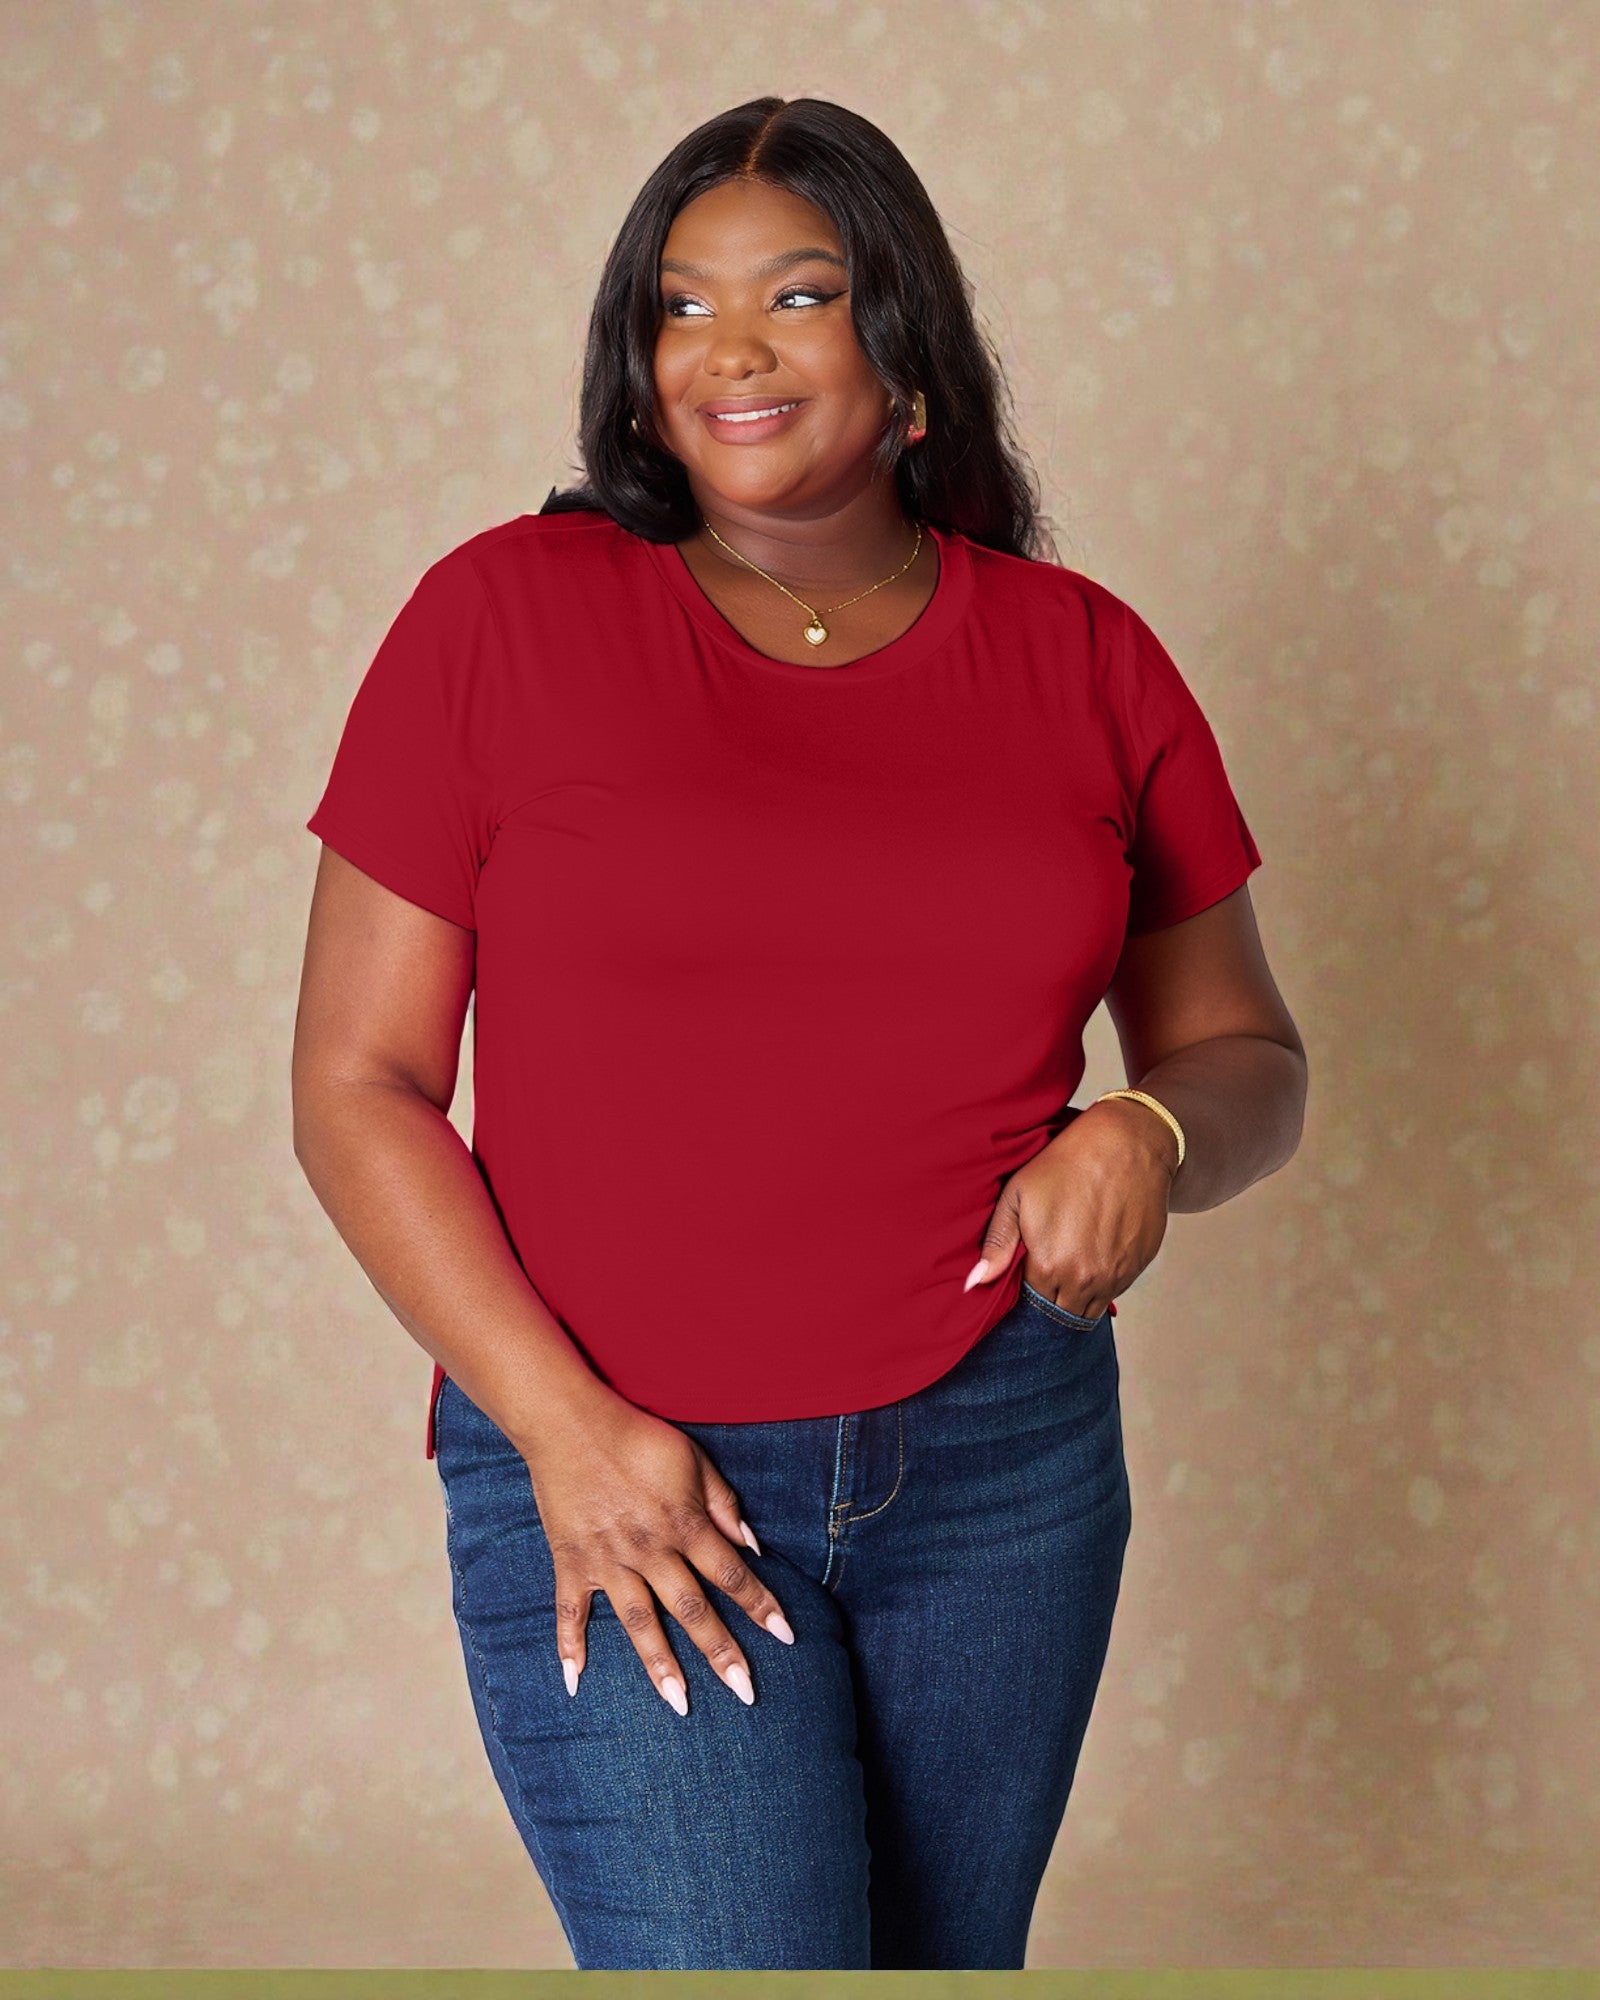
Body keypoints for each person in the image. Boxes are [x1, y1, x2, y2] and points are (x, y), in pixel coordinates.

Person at [291, 94, 1307, 1971]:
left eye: (800, 293)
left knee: (938, 1969)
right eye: (681, 308)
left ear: (906, 348)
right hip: (622, 1464)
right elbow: (359, 1089)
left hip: (1001, 1464)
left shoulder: (1084, 658)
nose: (731, 350)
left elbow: (1247, 1054)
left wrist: (1145, 1137)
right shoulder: (502, 618)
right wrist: (567, 1438)